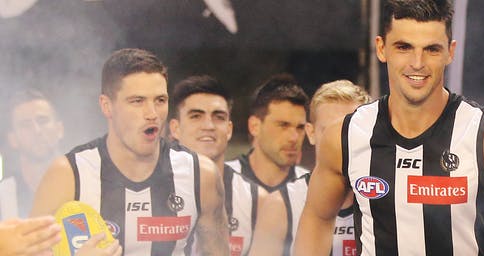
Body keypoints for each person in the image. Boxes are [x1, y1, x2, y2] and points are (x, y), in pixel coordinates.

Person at [294, 1, 484, 255]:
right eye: (404, 47)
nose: (417, 64)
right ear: (381, 49)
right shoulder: (345, 136)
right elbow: (318, 218)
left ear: (450, 52)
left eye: (431, 49)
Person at [30, 48, 229, 255]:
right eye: (137, 101)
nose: (152, 114)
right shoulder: (67, 174)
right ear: (107, 106)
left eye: (160, 100)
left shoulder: (201, 175)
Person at [224, 73, 311, 256]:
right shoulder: (222, 182)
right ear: (254, 126)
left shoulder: (313, 190)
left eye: (300, 127)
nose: (294, 137)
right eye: (283, 125)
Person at [168, 75, 255, 255]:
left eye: (218, 117)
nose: (208, 125)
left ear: (229, 129)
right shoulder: (150, 188)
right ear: (175, 128)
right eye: (196, 116)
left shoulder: (258, 201)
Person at [304, 79, 370, 256]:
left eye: (350, 132)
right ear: (311, 133)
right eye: (329, 132)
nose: (339, 143)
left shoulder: (389, 203)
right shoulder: (281, 202)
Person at [1, 89, 64, 219]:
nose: (37, 130)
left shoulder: (88, 184)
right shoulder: (3, 195)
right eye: (26, 125)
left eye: (43, 121)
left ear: (59, 129)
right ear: (13, 139)